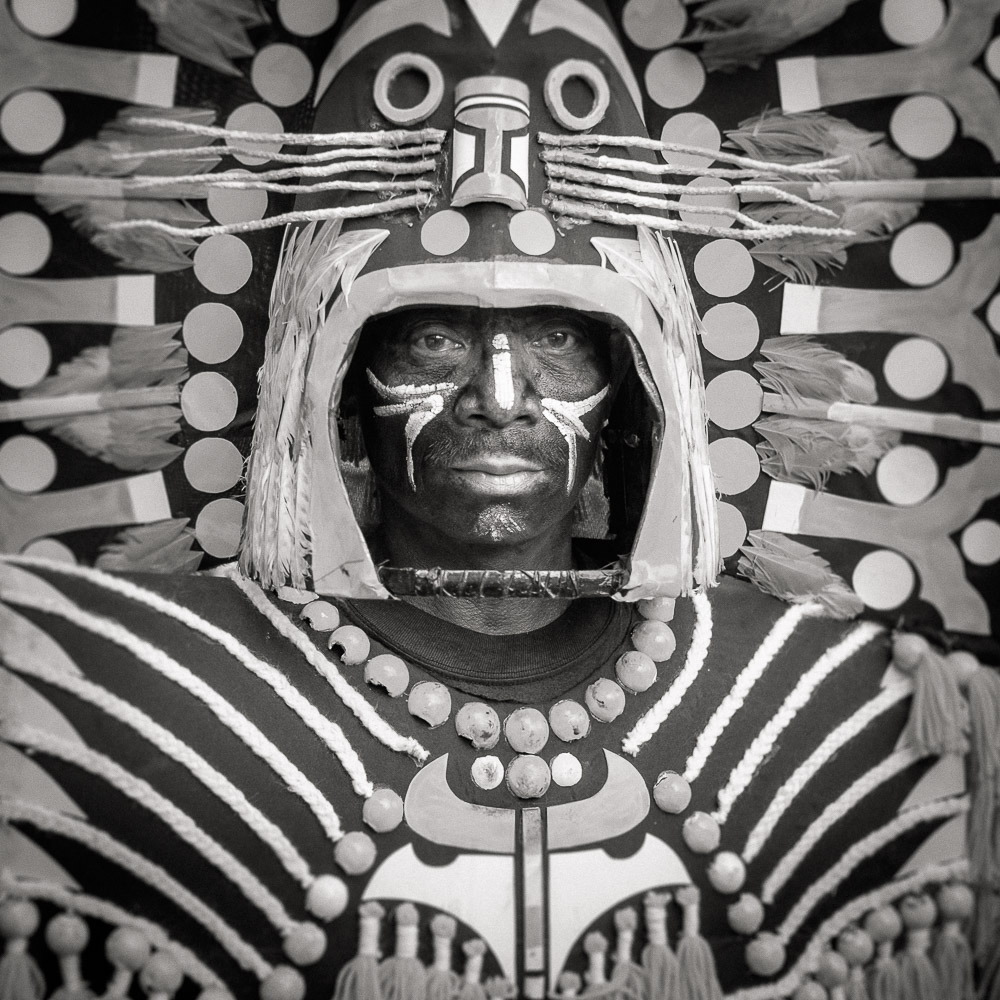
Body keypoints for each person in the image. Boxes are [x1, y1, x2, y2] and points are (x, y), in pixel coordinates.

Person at [0, 2, 993, 999]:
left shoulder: (867, 705)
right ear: (336, 380)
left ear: (634, 390)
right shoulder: (109, 688)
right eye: (433, 337)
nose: (499, 400)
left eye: (559, 339)